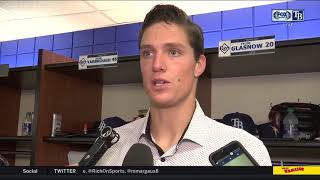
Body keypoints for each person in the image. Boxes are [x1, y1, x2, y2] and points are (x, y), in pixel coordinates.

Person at [96, 4, 271, 166]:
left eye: (173, 52)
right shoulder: (109, 147)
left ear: (198, 65)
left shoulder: (249, 149)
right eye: (148, 53)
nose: (157, 65)